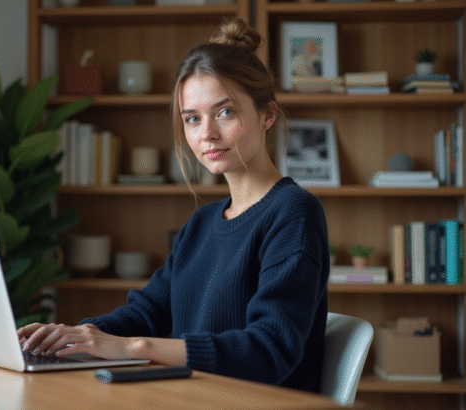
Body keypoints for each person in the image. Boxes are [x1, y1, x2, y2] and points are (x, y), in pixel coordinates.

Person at [18, 16, 330, 393]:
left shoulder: (293, 212)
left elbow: (269, 352)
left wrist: (134, 348)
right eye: (192, 119)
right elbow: (145, 314)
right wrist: (75, 336)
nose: (207, 134)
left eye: (225, 112)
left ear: (267, 115)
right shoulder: (201, 224)